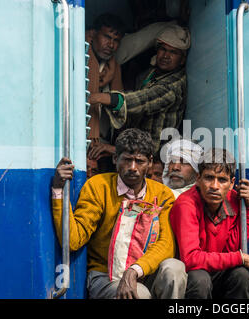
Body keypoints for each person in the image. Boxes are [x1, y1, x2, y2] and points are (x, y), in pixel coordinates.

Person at [51, 128, 187, 299]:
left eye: (139, 161)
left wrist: (134, 270)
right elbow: (73, 240)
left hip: (144, 272)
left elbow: (166, 244)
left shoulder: (162, 194)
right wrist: (58, 190)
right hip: (105, 276)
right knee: (140, 294)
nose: (133, 168)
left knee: (174, 268)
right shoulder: (99, 187)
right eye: (127, 160)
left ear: (150, 162)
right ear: (115, 159)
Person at [170, 148, 249, 299]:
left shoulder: (234, 199)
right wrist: (243, 258)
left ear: (231, 183)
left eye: (222, 180)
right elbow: (190, 259)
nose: (215, 186)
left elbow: (232, 248)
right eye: (209, 178)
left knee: (242, 275)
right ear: (198, 179)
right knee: (200, 279)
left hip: (218, 273)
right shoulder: (186, 204)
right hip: (193, 275)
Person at [89, 24, 191, 155]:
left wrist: (98, 97)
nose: (166, 55)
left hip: (153, 159)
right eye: (163, 49)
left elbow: (142, 101)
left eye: (173, 52)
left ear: (182, 60)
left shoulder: (174, 85)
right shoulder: (150, 73)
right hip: (134, 150)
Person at [85, 13, 125, 178]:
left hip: (103, 146)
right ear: (93, 34)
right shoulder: (78, 56)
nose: (111, 44)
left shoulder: (113, 68)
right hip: (81, 141)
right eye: (107, 37)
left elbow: (122, 105)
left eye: (116, 40)